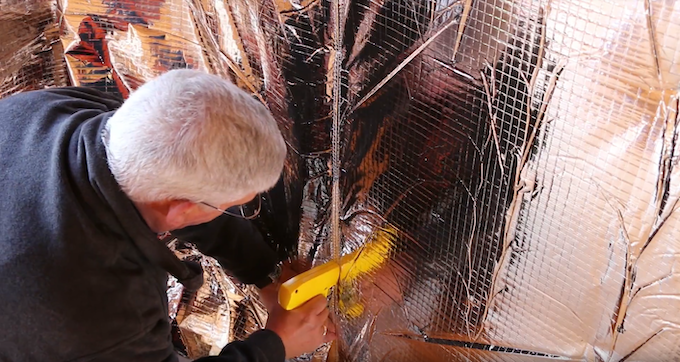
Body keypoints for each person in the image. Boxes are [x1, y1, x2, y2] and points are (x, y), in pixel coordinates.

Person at [0, 69, 335, 361]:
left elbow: (171, 176)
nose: (230, 212)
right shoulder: (100, 309)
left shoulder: (45, 110)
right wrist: (276, 345)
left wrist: (263, 273)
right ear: (180, 209)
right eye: (229, 205)